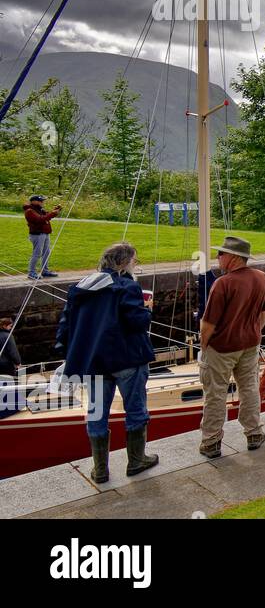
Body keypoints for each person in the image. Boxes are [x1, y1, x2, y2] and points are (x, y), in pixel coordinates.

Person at [54, 242, 157, 483]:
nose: (135, 265)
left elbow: (65, 325)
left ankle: (100, 469)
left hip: (94, 361)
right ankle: (136, 460)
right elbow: (136, 322)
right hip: (126, 358)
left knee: (96, 411)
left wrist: (70, 354)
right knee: (135, 409)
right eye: (135, 260)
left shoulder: (80, 287)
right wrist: (147, 311)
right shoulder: (126, 286)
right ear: (124, 262)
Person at [197, 236, 265, 459]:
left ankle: (211, 442)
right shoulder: (262, 278)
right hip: (250, 343)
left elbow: (208, 324)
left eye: (222, 253)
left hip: (222, 347)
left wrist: (203, 348)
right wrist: (254, 331)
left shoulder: (223, 284)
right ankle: (254, 433)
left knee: (216, 394)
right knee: (249, 388)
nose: (218, 257)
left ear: (234, 257)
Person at [23, 194, 61, 280]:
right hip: (37, 234)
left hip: (45, 233)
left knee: (46, 252)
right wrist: (52, 214)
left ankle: (45, 270)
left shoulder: (39, 209)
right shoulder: (29, 211)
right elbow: (39, 219)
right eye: (40, 201)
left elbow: (46, 216)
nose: (42, 202)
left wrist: (54, 212)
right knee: (37, 254)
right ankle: (31, 272)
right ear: (34, 201)